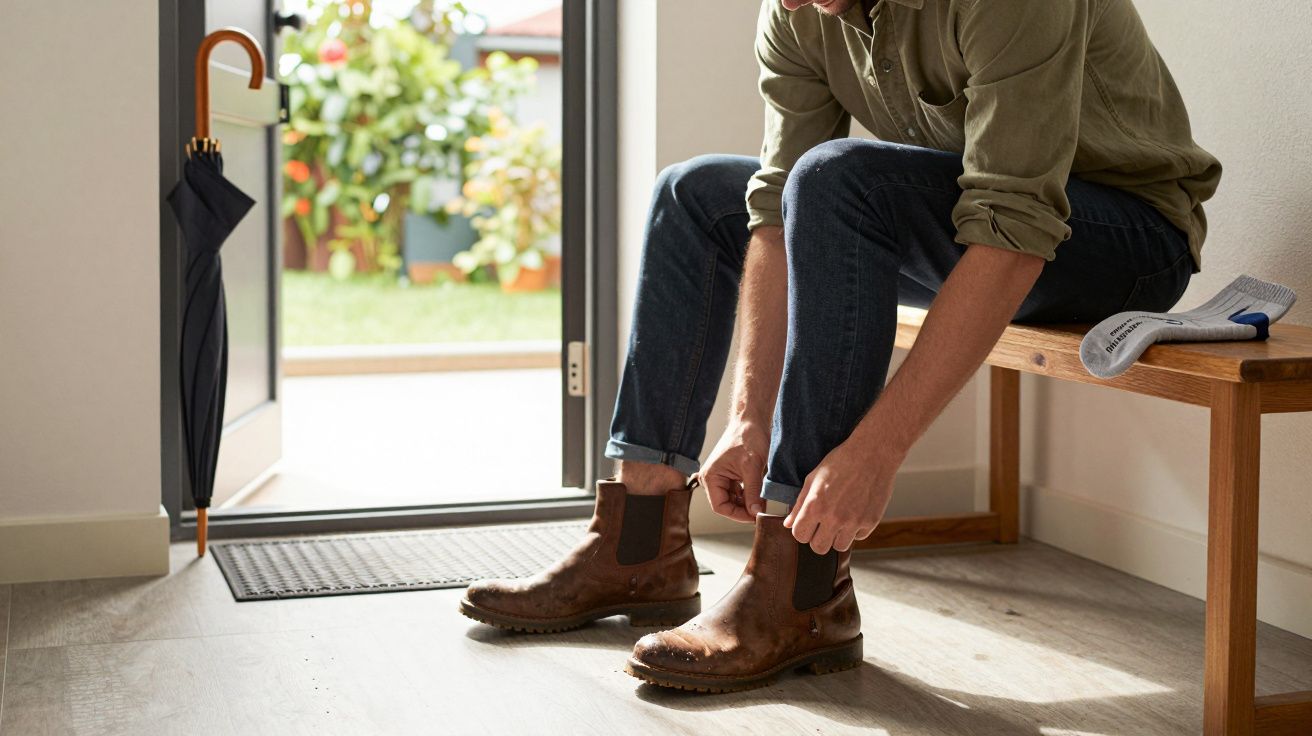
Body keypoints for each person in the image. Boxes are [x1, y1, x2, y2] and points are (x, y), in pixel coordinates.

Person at [461, 0, 1221, 692]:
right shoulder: (796, 8)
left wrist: (875, 451)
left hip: (1127, 236)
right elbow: (774, 209)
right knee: (695, 195)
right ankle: (638, 545)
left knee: (839, 179)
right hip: (976, 213)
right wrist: (749, 417)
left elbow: (1015, 230)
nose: (787, 2)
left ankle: (803, 590)